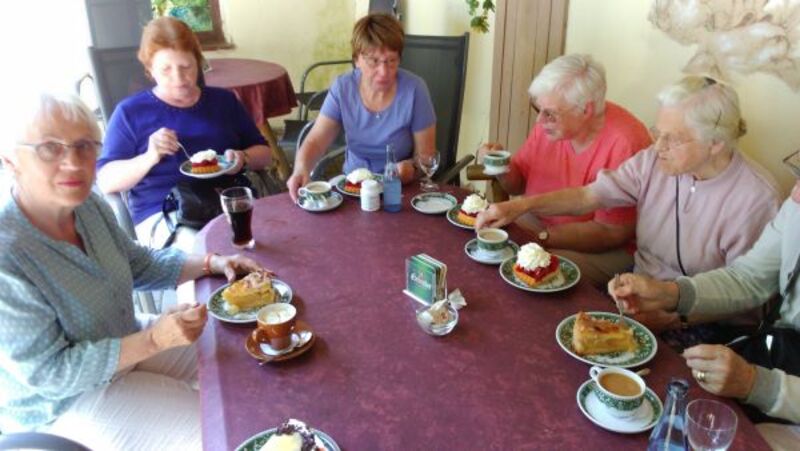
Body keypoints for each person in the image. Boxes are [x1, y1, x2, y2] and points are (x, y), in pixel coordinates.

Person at [0, 91, 265, 450]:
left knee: (245, 357)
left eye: (84, 146)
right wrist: (155, 339)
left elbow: (136, 262)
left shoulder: (88, 204)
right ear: (10, 159)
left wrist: (211, 263)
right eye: (50, 148)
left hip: (124, 339)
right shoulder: (8, 252)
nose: (74, 163)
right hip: (66, 402)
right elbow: (51, 374)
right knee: (216, 431)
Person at [477, 76, 781, 340]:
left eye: (671, 139)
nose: (658, 146)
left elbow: (743, 296)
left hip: (706, 324)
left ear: (714, 143)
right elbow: (588, 197)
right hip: (636, 295)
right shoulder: (653, 160)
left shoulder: (755, 199)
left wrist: (674, 317)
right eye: (657, 132)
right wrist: (520, 206)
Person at [608, 162, 800, 450]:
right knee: (656, 410)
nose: (795, 194)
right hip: (784, 353)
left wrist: (757, 385)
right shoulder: (797, 205)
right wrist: (670, 293)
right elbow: (748, 279)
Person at [477, 54, 652, 286]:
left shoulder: (625, 142)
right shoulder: (552, 125)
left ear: (586, 110)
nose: (539, 121)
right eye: (536, 109)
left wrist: (540, 239)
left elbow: (611, 233)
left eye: (548, 113)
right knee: (482, 249)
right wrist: (498, 166)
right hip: (538, 224)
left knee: (523, 273)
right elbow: (518, 185)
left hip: (598, 249)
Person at [97, 17, 271, 249]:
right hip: (166, 212)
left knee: (270, 243)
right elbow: (106, 181)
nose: (178, 79)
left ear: (198, 63)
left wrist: (244, 158)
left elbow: (265, 154)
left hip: (228, 202)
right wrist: (149, 157)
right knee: (209, 255)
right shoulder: (130, 113)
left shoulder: (224, 101)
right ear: (150, 70)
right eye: (166, 70)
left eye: (186, 67)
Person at [287, 13, 437, 202]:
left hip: (398, 190)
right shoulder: (343, 88)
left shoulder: (415, 90)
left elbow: (426, 157)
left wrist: (412, 169)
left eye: (391, 61)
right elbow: (316, 141)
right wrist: (301, 168)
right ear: (357, 59)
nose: (383, 72)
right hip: (352, 188)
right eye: (374, 61)